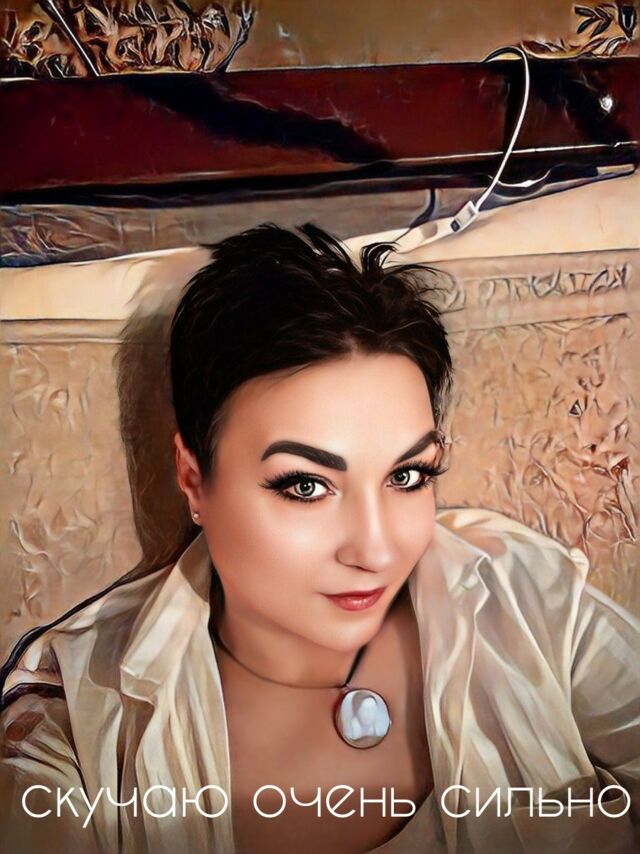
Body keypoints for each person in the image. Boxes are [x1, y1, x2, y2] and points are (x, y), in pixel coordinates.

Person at [0, 224, 638, 854]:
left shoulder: (523, 597)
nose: (376, 550)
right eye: (306, 486)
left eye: (407, 476)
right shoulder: (80, 720)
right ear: (194, 480)